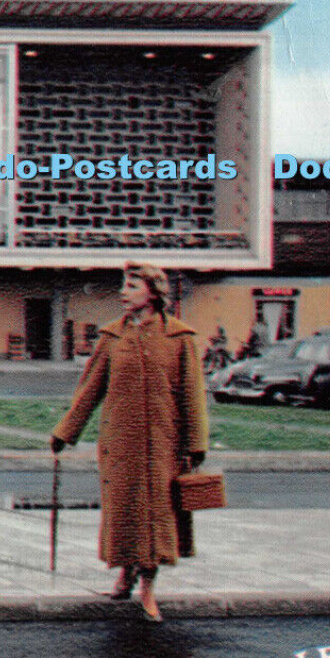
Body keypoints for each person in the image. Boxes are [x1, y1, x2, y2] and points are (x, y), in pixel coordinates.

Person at [50, 263, 209, 623]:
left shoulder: (179, 337)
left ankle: (149, 589)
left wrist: (196, 443)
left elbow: (193, 397)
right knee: (123, 513)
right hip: (120, 444)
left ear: (153, 292)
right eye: (124, 285)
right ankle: (125, 572)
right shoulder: (112, 337)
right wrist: (64, 433)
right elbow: (88, 392)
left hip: (163, 446)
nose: (124, 292)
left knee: (156, 516)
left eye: (132, 285)